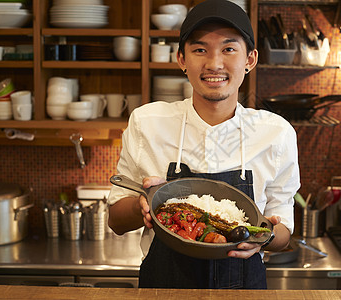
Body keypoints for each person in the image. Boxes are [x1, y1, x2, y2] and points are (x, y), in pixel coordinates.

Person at [108, 0, 300, 289]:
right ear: (182, 59)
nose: (214, 64)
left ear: (250, 59)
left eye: (229, 49)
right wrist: (143, 205)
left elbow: (283, 231)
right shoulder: (147, 122)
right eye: (200, 50)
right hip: (162, 291)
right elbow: (116, 221)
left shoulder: (276, 133)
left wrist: (265, 237)